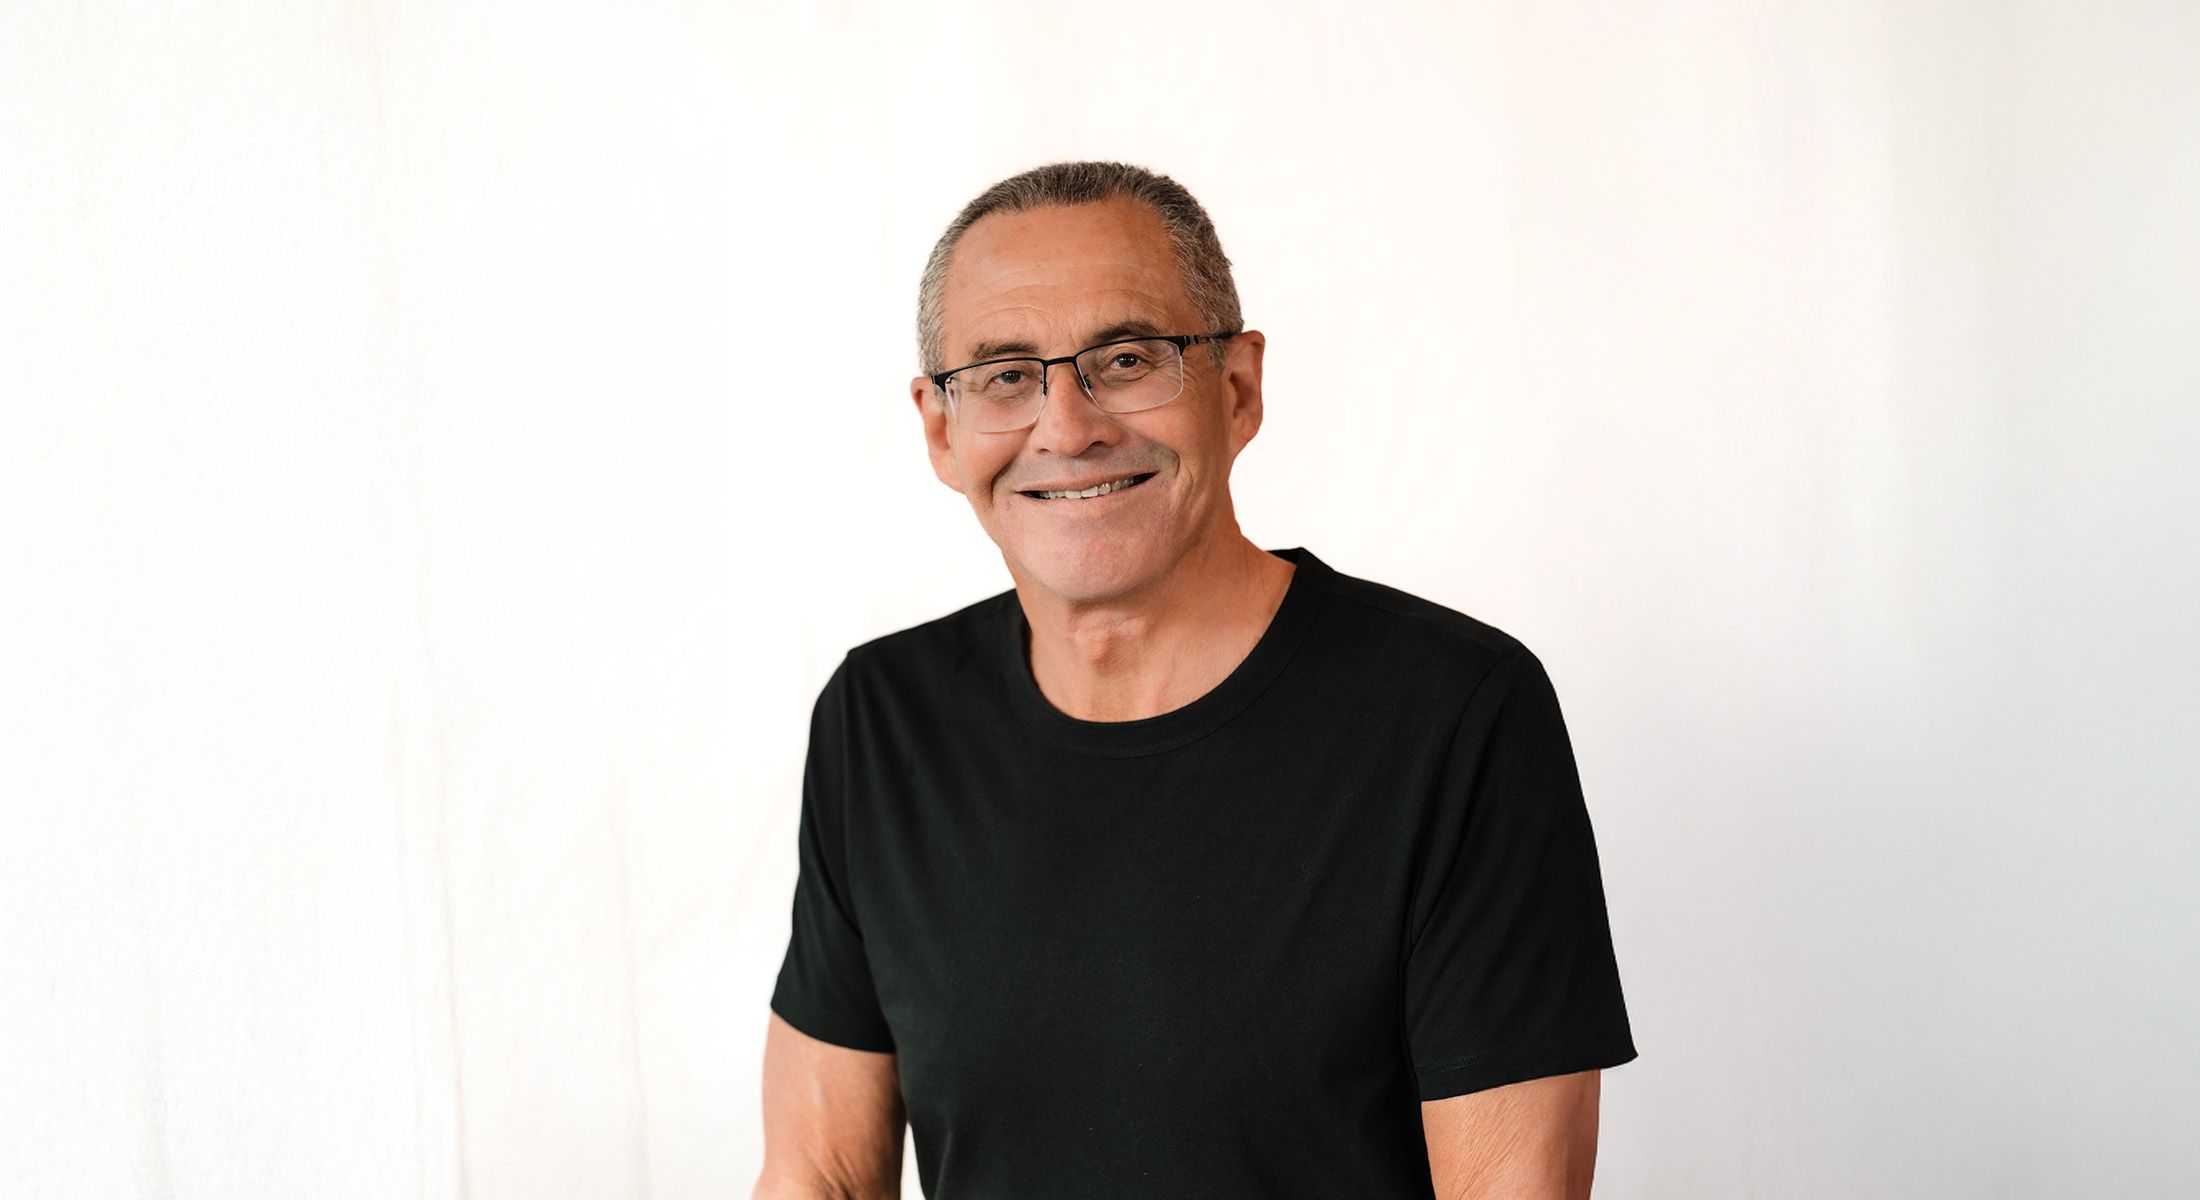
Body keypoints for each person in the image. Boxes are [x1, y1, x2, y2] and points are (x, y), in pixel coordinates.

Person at [753, 161, 1637, 1199]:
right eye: (1003, 375)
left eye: (1126, 359)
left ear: (1237, 387)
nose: (1068, 425)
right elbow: (820, 1175)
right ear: (942, 430)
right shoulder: (882, 721)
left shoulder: (1455, 716)